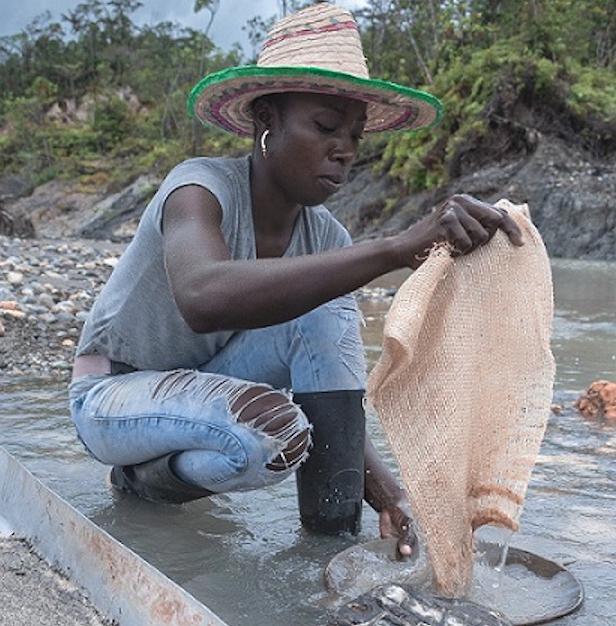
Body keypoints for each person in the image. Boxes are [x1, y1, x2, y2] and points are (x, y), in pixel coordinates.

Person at [68, 3, 523, 558]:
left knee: (325, 319)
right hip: (115, 395)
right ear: (267, 118)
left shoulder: (326, 235)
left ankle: (330, 550)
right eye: (326, 127)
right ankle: (141, 476)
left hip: (207, 386)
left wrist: (392, 497)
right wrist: (395, 248)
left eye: (356, 136)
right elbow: (202, 297)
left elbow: (335, 388)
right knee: (274, 435)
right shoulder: (199, 188)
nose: (346, 150)